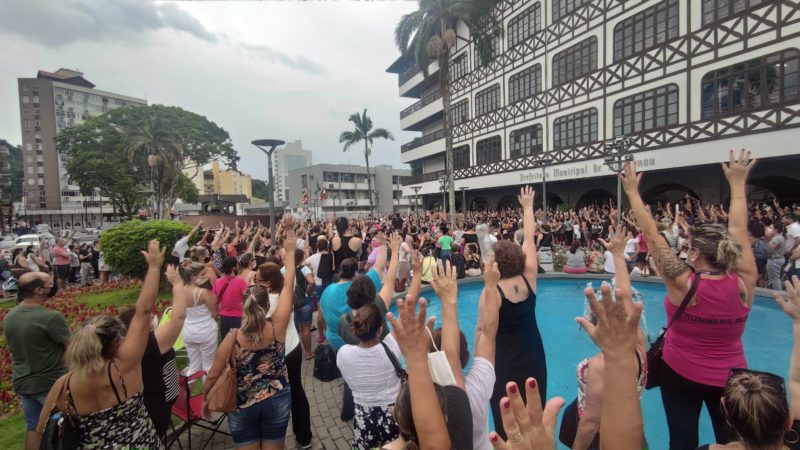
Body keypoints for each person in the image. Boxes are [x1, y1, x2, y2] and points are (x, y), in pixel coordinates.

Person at [621, 150, 758, 450]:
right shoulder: (745, 281)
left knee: (682, 440)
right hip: (733, 378)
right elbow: (739, 230)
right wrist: (737, 185)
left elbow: (652, 235)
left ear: (695, 253)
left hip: (680, 372)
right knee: (734, 441)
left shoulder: (682, 283)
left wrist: (632, 192)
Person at [35, 240, 165, 448]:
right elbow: (143, 312)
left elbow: (41, 431)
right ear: (114, 343)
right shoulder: (125, 367)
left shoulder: (64, 385)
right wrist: (155, 267)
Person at [203, 224, 297, 449]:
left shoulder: (233, 338)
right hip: (276, 397)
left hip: (243, 402)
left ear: (244, 307)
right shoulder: (277, 329)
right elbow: (288, 286)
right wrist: (291, 252)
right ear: (267, 306)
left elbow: (214, 374)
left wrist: (206, 398)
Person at [559, 226, 648, 450]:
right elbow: (625, 297)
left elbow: (591, 423)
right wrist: (618, 256)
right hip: (629, 429)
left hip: (604, 437)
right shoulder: (638, 341)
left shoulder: (601, 365)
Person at [489, 186, 547, 440]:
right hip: (534, 357)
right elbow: (529, 239)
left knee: (507, 425)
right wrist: (527, 207)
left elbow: (483, 332)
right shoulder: (529, 277)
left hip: (503, 364)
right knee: (535, 417)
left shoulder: (492, 292)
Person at [118, 264, 188, 443]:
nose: (153, 316)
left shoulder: (125, 347)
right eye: (149, 317)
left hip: (146, 402)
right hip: (157, 404)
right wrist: (177, 283)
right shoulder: (150, 344)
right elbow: (178, 317)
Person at [3, 272, 68, 450]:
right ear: (39, 290)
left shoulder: (10, 317)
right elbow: (73, 348)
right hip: (51, 383)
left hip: (23, 382)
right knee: (66, 428)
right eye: (49, 284)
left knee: (34, 429)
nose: (53, 286)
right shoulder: (50, 317)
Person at [256, 259, 313, 449]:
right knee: (297, 390)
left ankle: (271, 439)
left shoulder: (262, 303)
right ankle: (304, 437)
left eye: (257, 280)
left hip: (276, 353)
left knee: (273, 395)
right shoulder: (286, 293)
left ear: (267, 283)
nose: (254, 283)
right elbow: (290, 273)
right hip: (293, 347)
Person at [336, 304, 402, 449]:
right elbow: (401, 326)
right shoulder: (391, 347)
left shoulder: (343, 354)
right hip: (394, 414)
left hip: (363, 416)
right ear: (379, 330)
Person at [180, 260, 219, 375]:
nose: (206, 277)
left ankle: (188, 385)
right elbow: (214, 312)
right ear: (193, 277)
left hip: (188, 331)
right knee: (208, 365)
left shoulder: (180, 291)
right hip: (206, 330)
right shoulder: (203, 292)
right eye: (202, 275)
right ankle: (209, 386)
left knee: (193, 366)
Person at [214, 255, 248, 338]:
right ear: (233, 267)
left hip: (223, 317)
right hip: (238, 317)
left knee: (226, 341)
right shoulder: (241, 282)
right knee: (238, 341)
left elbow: (215, 301)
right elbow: (248, 298)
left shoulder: (217, 282)